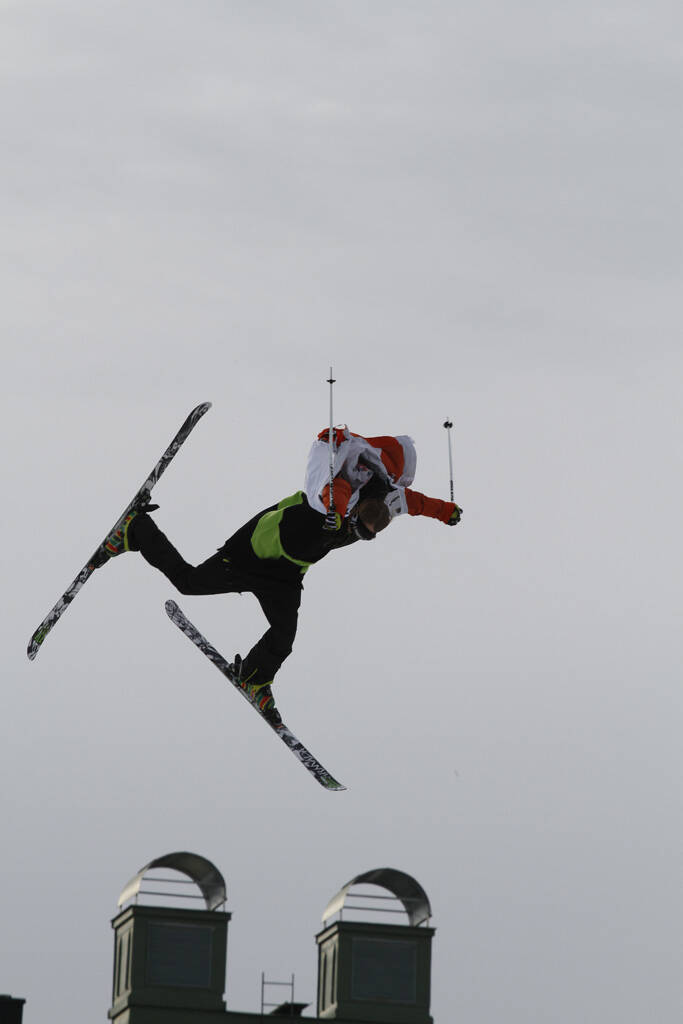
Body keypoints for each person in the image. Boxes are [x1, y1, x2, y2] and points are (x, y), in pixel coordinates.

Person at [99, 426, 462, 725]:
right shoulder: (343, 483)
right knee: (189, 583)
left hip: (287, 575)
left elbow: (417, 503)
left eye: (367, 535)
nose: (360, 534)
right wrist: (334, 508)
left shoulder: (386, 500)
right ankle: (137, 530)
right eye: (360, 529)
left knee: (284, 636)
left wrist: (446, 512)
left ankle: (254, 678)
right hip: (257, 551)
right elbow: (335, 489)